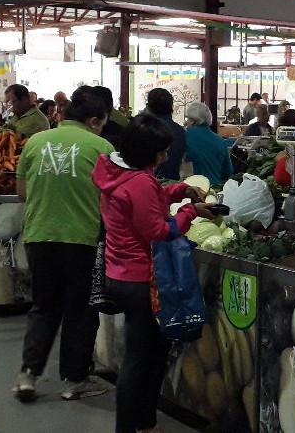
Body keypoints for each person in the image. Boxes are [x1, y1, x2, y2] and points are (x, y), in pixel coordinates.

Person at [92, 115, 212, 433]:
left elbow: (147, 202)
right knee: (140, 360)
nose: (166, 156)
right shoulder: (140, 182)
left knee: (149, 355)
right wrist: (190, 212)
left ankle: (143, 424)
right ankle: (130, 426)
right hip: (141, 280)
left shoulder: (115, 171)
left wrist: (180, 190)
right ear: (148, 151)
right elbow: (159, 232)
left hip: (120, 274)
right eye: (161, 151)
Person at [12, 87, 113, 402]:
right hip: (81, 238)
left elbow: (22, 192)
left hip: (39, 235)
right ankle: (75, 379)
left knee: (43, 307)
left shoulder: (36, 142)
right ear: (94, 120)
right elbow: (110, 198)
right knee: (80, 310)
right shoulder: (101, 147)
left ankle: (27, 376)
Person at [184, 102, 234, 187]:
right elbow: (228, 172)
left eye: (187, 119)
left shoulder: (184, 135)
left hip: (190, 190)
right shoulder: (220, 141)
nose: (186, 122)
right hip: (214, 190)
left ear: (192, 120)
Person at [140, 88, 186, 181]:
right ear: (171, 106)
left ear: (148, 106)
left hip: (147, 183)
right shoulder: (181, 131)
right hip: (173, 184)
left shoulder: (145, 129)